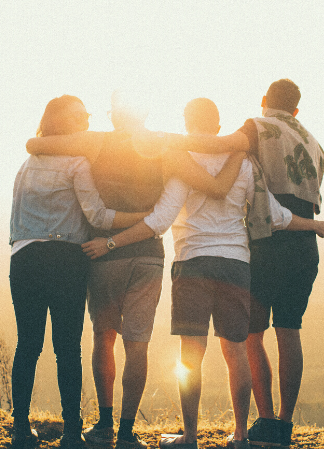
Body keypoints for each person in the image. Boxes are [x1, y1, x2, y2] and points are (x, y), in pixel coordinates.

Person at [81, 97, 324, 449]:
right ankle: (240, 435)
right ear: (219, 123)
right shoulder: (244, 162)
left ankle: (190, 437)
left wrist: (112, 242)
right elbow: (276, 216)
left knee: (191, 354)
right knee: (236, 351)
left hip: (192, 261)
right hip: (236, 264)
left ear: (187, 122)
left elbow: (160, 220)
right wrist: (315, 225)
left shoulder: (183, 161)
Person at [25, 92, 246, 449]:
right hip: (148, 256)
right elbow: (216, 185)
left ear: (114, 117)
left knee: (104, 337)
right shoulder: (164, 147)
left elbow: (35, 143)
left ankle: (105, 425)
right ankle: (128, 432)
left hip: (104, 253)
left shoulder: (95, 142)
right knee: (137, 344)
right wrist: (240, 148)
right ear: (145, 113)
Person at [152, 80, 323, 448]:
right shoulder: (312, 142)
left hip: (262, 244)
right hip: (301, 244)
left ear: (264, 101)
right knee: (289, 331)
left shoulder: (254, 129)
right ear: (296, 109)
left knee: (249, 337)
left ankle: (250, 422)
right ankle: (278, 427)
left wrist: (167, 142)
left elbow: (219, 148)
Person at [9, 95, 152, 449]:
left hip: (24, 258)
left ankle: (21, 430)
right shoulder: (76, 163)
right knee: (67, 348)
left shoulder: (26, 164)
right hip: (65, 260)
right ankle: (72, 432)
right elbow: (99, 217)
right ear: (68, 123)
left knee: (28, 345)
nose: (87, 121)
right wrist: (145, 218)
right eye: (82, 116)